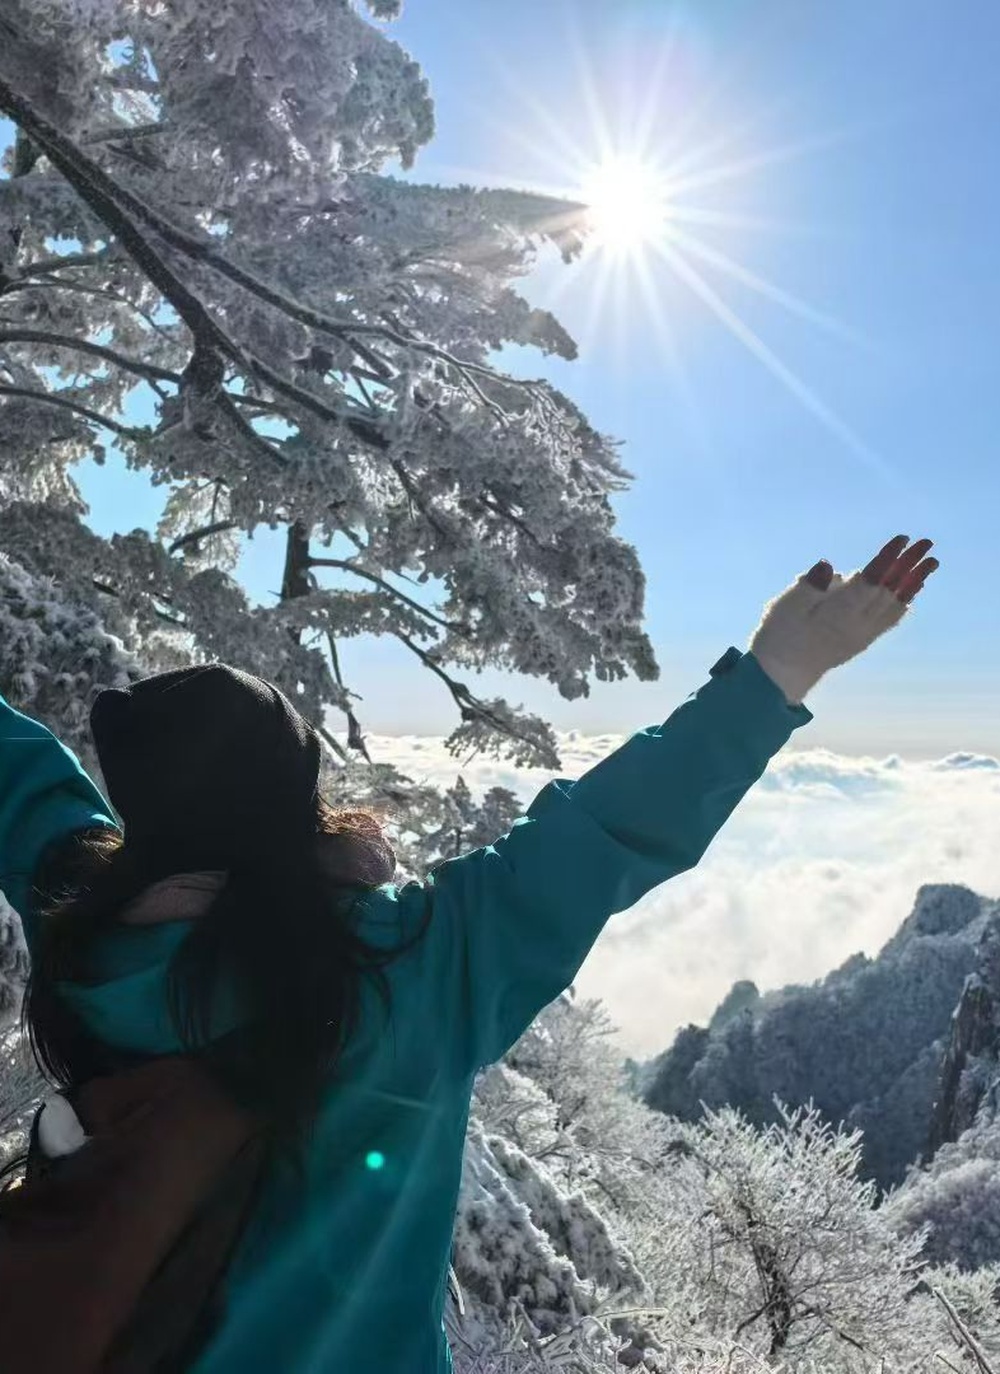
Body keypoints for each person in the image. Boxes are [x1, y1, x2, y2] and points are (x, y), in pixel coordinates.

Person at [0, 534, 937, 1372]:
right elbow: (602, 832)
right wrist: (782, 670)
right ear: (297, 796)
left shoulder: (80, 930)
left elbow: (25, 779)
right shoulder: (407, 967)